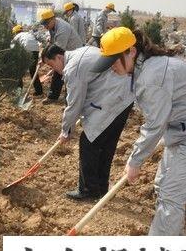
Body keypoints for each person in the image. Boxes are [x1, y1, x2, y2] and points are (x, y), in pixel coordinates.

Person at [91, 27, 186, 235]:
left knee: (171, 195)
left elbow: (154, 125)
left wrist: (135, 161)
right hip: (185, 128)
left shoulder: (151, 76)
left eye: (114, 60)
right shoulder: (146, 68)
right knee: (161, 184)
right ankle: (171, 229)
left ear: (131, 52)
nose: (111, 67)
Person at [41, 44, 134, 200]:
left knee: (88, 143)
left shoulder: (73, 68)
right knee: (106, 145)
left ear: (58, 57)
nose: (54, 70)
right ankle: (101, 188)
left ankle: (88, 190)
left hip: (112, 100)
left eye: (51, 65)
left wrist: (66, 131)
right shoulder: (83, 51)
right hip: (124, 98)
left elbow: (74, 104)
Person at [38, 9, 83, 103]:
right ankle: (53, 97)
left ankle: (69, 101)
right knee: (58, 74)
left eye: (47, 24)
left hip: (74, 52)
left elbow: (57, 49)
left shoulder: (63, 29)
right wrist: (43, 58)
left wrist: (50, 62)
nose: (46, 27)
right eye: (44, 24)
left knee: (69, 75)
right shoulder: (52, 26)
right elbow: (51, 43)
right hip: (64, 51)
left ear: (53, 19)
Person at [11, 25, 42, 95]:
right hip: (35, 50)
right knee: (33, 71)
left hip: (26, 50)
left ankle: (19, 91)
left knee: (18, 71)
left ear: (15, 32)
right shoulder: (28, 34)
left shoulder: (17, 36)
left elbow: (11, 48)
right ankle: (39, 91)